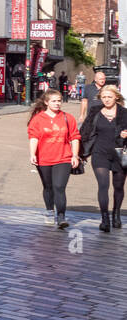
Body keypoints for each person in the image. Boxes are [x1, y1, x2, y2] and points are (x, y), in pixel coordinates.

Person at [27, 90, 80, 230]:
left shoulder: (67, 118)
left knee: (59, 187)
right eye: (54, 101)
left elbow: (75, 137)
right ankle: (50, 211)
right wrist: (32, 153)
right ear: (46, 102)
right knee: (48, 187)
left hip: (63, 157)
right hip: (43, 158)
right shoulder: (38, 119)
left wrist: (75, 155)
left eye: (59, 100)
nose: (57, 103)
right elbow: (33, 137)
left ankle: (61, 216)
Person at [79, 84, 127, 232]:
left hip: (120, 154)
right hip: (100, 154)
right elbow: (85, 131)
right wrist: (81, 152)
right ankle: (104, 218)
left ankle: (116, 214)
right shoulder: (95, 111)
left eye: (109, 97)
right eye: (103, 97)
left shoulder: (125, 113)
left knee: (118, 186)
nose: (106, 100)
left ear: (116, 97)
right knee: (103, 185)